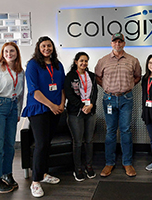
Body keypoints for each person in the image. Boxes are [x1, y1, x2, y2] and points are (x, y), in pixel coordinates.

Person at [21, 36, 66, 198]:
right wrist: (52, 106)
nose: (46, 48)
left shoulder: (57, 65)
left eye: (49, 46)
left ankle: (44, 174)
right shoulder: (32, 65)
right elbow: (35, 91)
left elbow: (62, 87)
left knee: (47, 143)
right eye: (43, 46)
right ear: (38, 48)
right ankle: (35, 182)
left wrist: (61, 104)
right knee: (40, 144)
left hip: (55, 110)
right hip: (39, 109)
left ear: (53, 48)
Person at [95, 32, 142, 177]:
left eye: (120, 42)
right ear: (111, 43)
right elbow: (97, 77)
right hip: (108, 99)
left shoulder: (133, 60)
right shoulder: (103, 60)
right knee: (110, 131)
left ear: (124, 43)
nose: (117, 44)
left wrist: (127, 86)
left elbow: (137, 76)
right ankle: (109, 163)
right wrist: (108, 88)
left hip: (126, 99)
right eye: (115, 42)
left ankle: (127, 162)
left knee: (125, 130)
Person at [0, 42, 24, 193]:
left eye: (12, 51)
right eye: (6, 51)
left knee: (9, 146)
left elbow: (21, 93)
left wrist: (18, 112)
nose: (9, 54)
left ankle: (7, 174)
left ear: (17, 53)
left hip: (13, 109)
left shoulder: (21, 71)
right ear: (3, 53)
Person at [64, 52, 98, 181]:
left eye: (86, 61)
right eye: (81, 61)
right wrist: (81, 106)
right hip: (76, 112)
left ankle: (89, 165)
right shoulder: (70, 76)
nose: (84, 63)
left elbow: (95, 92)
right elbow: (69, 94)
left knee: (89, 140)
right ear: (76, 62)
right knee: (78, 142)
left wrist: (91, 105)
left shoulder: (91, 76)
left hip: (90, 111)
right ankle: (77, 168)